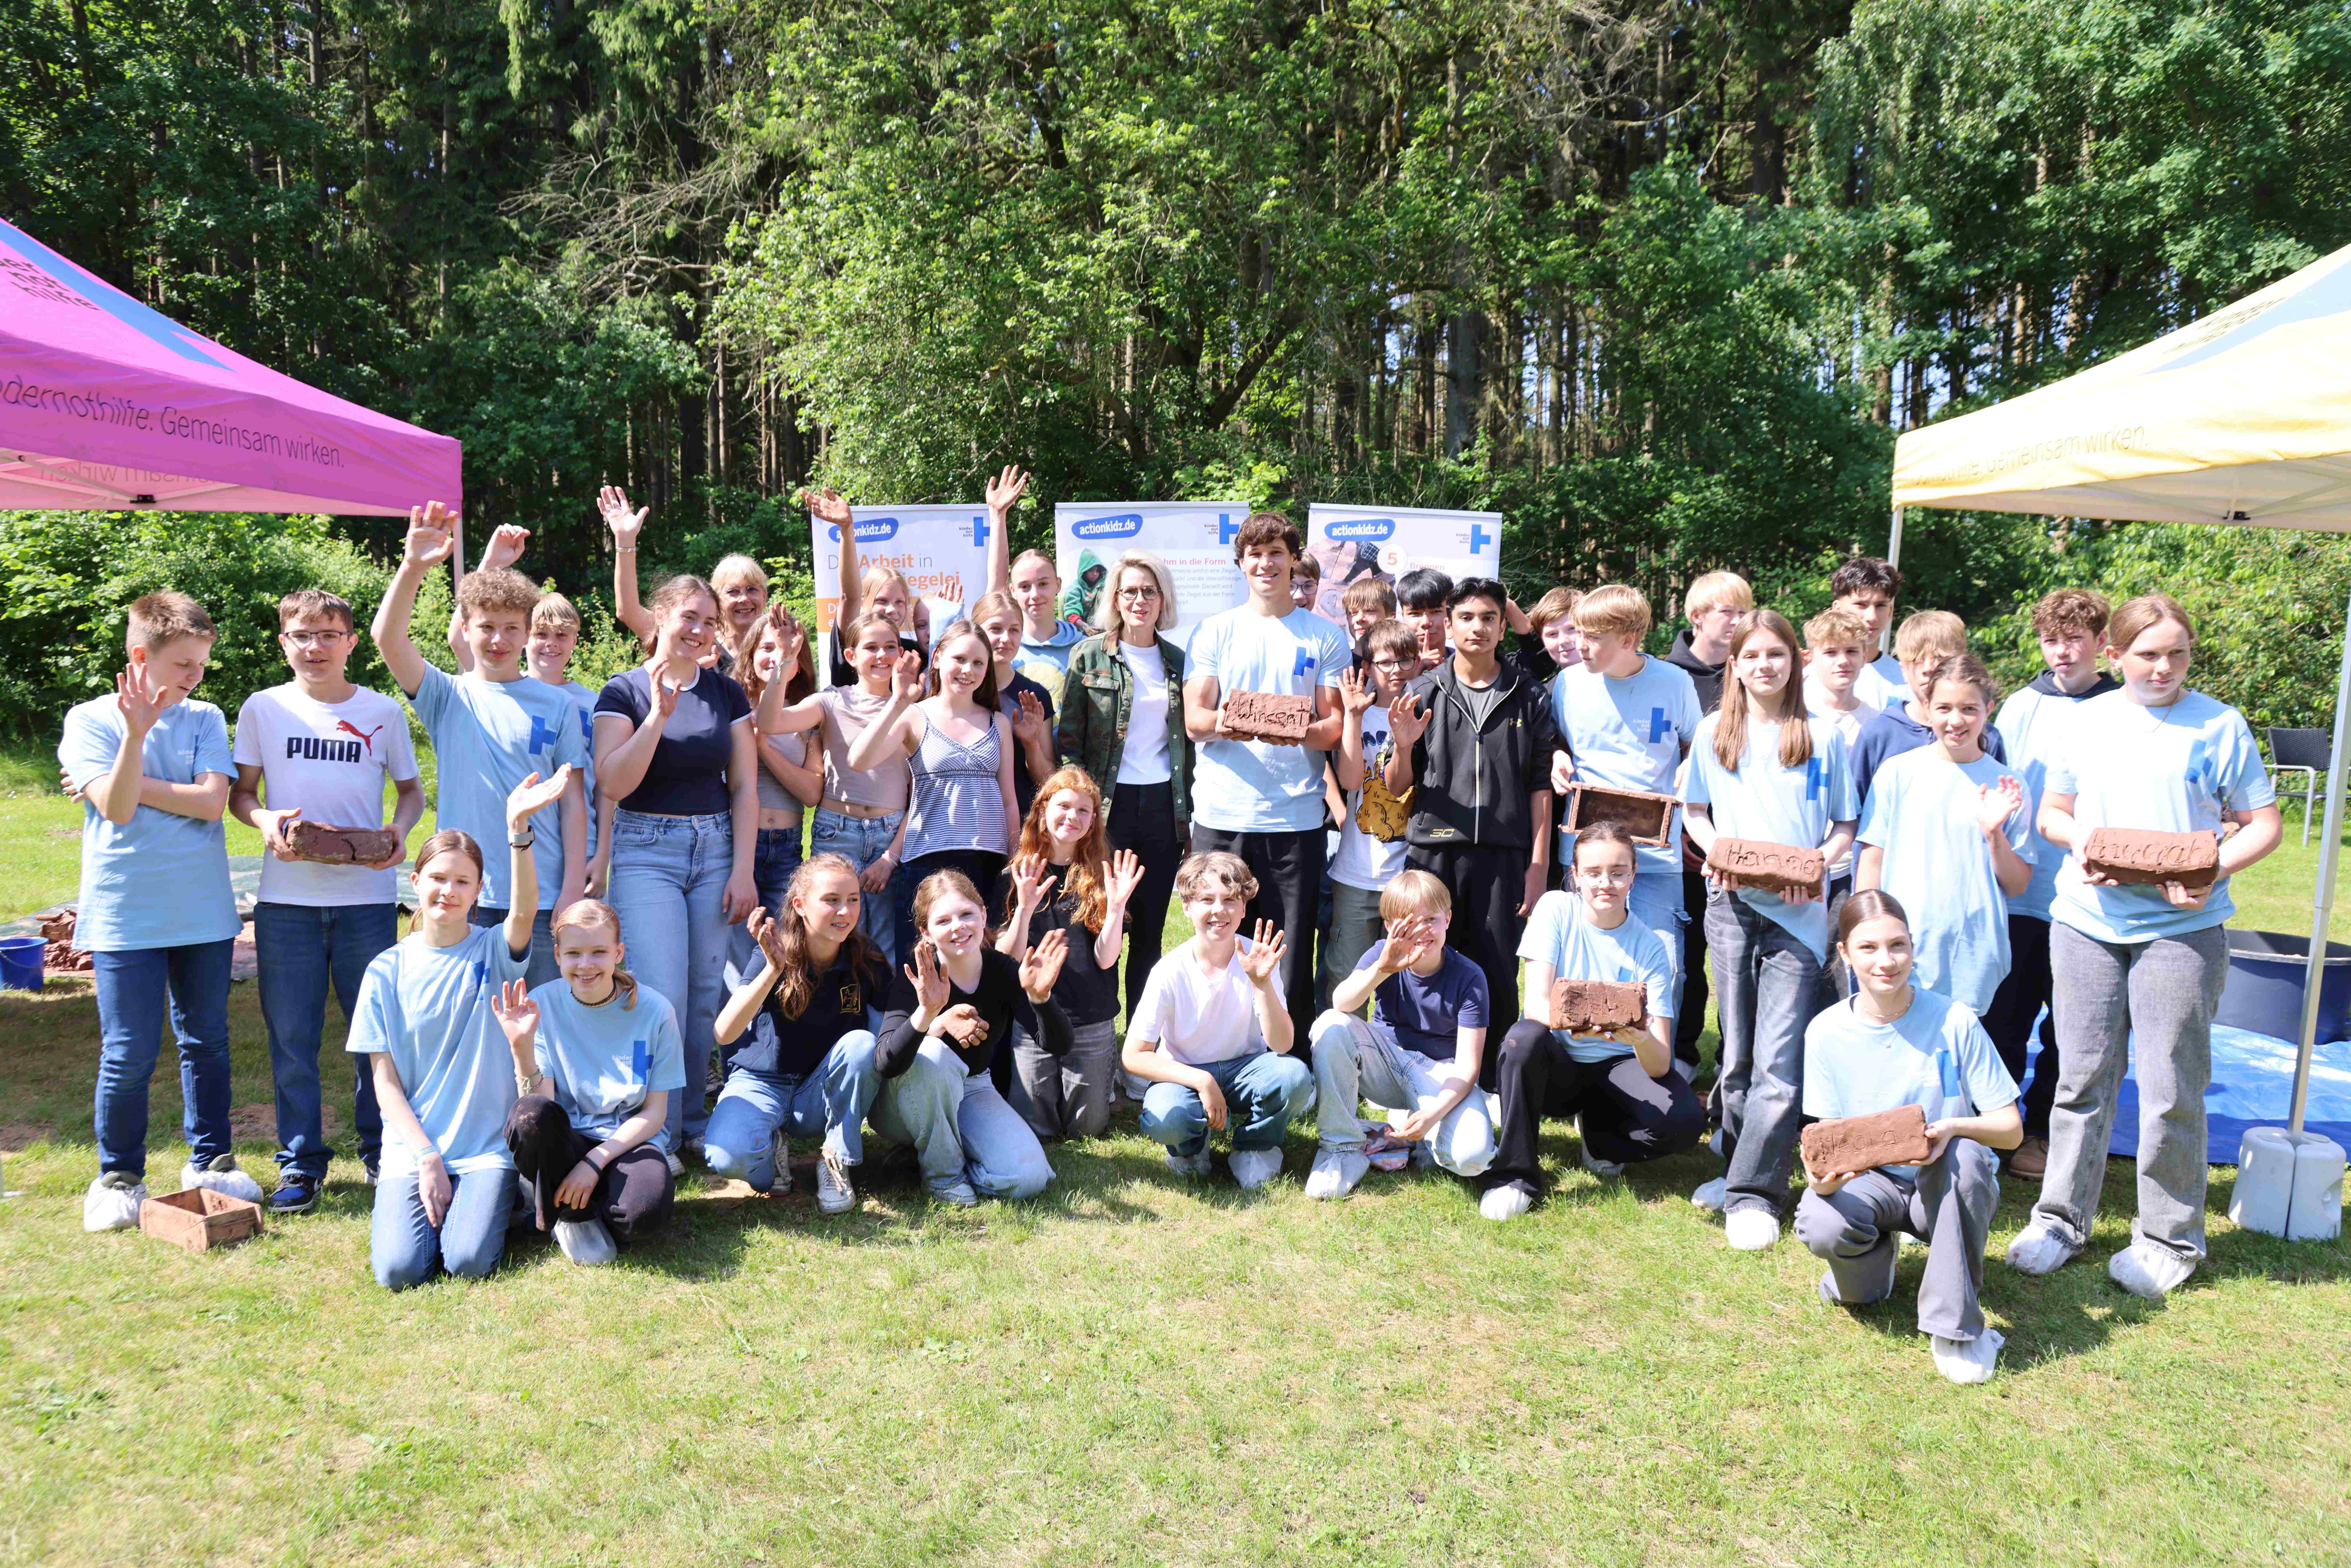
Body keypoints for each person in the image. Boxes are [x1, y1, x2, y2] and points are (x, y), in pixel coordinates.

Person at [2007, 593, 2282, 1299]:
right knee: (2080, 1078)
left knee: (2169, 1088)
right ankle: (2060, 1220)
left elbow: (2262, 824)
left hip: (2181, 933)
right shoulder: (2086, 720)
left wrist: (2210, 868)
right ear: (2115, 656)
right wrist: (2088, 844)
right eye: (2148, 653)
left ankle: (2169, 1237)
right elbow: (2053, 814)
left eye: (2177, 652)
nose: (2163, 667)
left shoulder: (2219, 725)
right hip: (2086, 923)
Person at [231, 589, 425, 1212]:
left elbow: (411, 790)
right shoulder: (264, 708)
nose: (315, 646)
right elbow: (242, 794)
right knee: (293, 1036)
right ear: (283, 641)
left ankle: (382, 1150)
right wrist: (264, 822)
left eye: (328, 634)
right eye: (301, 635)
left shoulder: (382, 711)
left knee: (378, 1033)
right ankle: (300, 1162)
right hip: (286, 900)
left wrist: (399, 831)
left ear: (350, 642)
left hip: (368, 899)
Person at [69, 593, 257, 1231]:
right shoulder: (90, 720)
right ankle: (119, 1174)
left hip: (203, 911)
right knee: (128, 1050)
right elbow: (118, 811)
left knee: (206, 1042)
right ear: (139, 655)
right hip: (126, 913)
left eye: (201, 663)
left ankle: (211, 1159)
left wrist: (110, 784)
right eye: (183, 663)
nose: (194, 676)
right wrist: (135, 736)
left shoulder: (206, 715)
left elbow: (210, 803)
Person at [348, 768, 572, 1289]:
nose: (448, 890)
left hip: (483, 1151)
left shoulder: (494, 950)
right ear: (416, 882)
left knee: (467, 1260)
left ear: (477, 892)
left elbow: (523, 910)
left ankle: (500, 1200)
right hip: (414, 1150)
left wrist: (518, 829)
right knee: (398, 1270)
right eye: (438, 878)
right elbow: (384, 1083)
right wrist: (425, 1157)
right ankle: (453, 1201)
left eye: (462, 881)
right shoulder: (385, 970)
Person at [1680, 609, 1859, 1248]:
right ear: (1735, 665)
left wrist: (1816, 864)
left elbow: (1843, 827)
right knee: (1736, 1053)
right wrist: (1721, 852)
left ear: (1796, 661)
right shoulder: (1713, 732)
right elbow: (1694, 813)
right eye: (1752, 656)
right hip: (1730, 907)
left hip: (1800, 916)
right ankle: (1735, 1163)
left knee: (1780, 1060)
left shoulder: (1826, 735)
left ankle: (1756, 1194)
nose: (1765, 666)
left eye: (1776, 655)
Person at [1798, 890, 2022, 1384]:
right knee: (1819, 1220)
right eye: (1869, 948)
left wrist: (1955, 1127)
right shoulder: (1824, 1032)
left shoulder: (1954, 1019)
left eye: (1897, 945)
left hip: (1940, 1185)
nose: (1886, 961)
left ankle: (1955, 1327)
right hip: (1871, 1183)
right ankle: (1869, 1274)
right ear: (1844, 954)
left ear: (1913, 947)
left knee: (1965, 1157)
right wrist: (1824, 1181)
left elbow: (2009, 1129)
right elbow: (1825, 1141)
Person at [374, 502, 590, 988]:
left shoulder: (555, 705)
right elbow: (387, 638)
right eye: (487, 627)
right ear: (465, 630)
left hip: (540, 890)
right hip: (460, 889)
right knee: (467, 1015)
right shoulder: (447, 694)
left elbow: (574, 798)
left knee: (535, 1020)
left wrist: (573, 881)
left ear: (527, 632)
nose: (499, 638)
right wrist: (413, 565)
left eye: (512, 627)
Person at [593, 573, 760, 1158]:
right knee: (660, 995)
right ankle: (653, 1132)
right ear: (659, 617)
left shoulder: (726, 692)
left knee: (703, 997)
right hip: (645, 850)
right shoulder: (623, 692)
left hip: (714, 849)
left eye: (709, 621)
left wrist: (744, 868)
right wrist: (657, 716)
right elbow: (612, 782)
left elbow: (743, 786)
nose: (699, 629)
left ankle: (690, 1123)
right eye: (689, 616)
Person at [1181, 512, 1351, 1042]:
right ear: (1241, 563)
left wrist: (1280, 724)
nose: (1266, 563)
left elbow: (1331, 729)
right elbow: (1195, 720)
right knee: (1215, 944)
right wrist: (1259, 719)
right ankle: (1212, 1051)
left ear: (1292, 559)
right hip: (1220, 814)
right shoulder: (1214, 630)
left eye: (1276, 552)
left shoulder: (1324, 636)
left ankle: (1288, 1061)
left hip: (1294, 818)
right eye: (1255, 554)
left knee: (1288, 948)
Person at [1482, 823, 1702, 1220]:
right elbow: (1535, 1006)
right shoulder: (1555, 909)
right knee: (1521, 1039)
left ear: (1634, 875)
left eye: (1619, 872)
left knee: (1684, 1122)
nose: (1607, 883)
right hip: (1559, 1065)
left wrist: (1638, 1037)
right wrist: (1591, 1020)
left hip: (1617, 1065)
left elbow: (1660, 1063)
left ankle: (1602, 1139)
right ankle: (1515, 1175)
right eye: (1594, 873)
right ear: (1575, 876)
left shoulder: (1651, 948)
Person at [1384, 577, 1561, 1035]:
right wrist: (1403, 748)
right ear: (1449, 623)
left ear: (1504, 628)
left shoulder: (1531, 695)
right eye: (1466, 617)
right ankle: (1419, 1065)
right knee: (1424, 960)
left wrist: (1538, 868)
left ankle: (1493, 1082)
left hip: (1505, 857)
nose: (1477, 627)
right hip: (1433, 855)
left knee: (1498, 971)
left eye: (1488, 618)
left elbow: (1541, 788)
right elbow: (1396, 785)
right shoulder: (1422, 691)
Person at [1984, 590, 2121, 1178]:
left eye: (2074, 639)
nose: (2062, 651)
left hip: (2091, 897)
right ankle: (1998, 1129)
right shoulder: (2019, 706)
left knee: (2073, 1028)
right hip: (2020, 893)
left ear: (2100, 644)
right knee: (2006, 1021)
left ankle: (2043, 1130)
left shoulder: (2124, 708)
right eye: (2051, 639)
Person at [1549, 584, 1701, 1060]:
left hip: (1655, 857)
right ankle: (1579, 1067)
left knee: (1664, 965)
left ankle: (1656, 1068)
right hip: (1587, 856)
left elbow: (1700, 745)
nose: (1581, 645)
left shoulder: (1675, 682)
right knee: (1586, 963)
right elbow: (1552, 740)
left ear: (1631, 636)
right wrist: (1555, 754)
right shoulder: (1568, 683)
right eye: (1580, 633)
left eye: (1595, 636)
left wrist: (1688, 767)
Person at [490, 899, 683, 1264]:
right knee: (529, 1116)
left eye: (599, 952)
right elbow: (538, 1106)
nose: (586, 965)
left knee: (644, 1215)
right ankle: (571, 1214)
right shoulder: (540, 1004)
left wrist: (594, 1163)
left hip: (626, 1142)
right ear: (559, 955)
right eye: (574, 953)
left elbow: (656, 1113)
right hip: (566, 1139)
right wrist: (521, 1048)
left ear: (618, 953)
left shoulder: (656, 1011)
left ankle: (557, 1196)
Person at [873, 870, 1072, 1204]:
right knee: (935, 1055)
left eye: (966, 914)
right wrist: (932, 1018)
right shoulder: (919, 975)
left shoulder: (1004, 970)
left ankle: (945, 1158)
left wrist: (1041, 998)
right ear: (926, 932)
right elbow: (885, 1064)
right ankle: (943, 1177)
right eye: (943, 921)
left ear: (983, 914)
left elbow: (1059, 1045)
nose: (958, 927)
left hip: (973, 1086)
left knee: (1029, 1178)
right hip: (902, 1099)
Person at [705, 857, 890, 1213]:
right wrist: (774, 969)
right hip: (761, 1082)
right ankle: (769, 1149)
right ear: (800, 905)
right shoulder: (774, 950)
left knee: (862, 1044)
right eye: (831, 899)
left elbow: (894, 1027)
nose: (845, 911)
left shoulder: (866, 957)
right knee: (726, 1157)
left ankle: (836, 1159)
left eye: (853, 899)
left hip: (818, 1094)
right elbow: (724, 1032)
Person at [1055, 551, 1191, 1028]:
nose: (1139, 599)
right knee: (1097, 921)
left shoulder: (1178, 662)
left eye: (1148, 591)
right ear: (1114, 598)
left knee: (1149, 932)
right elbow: (1068, 742)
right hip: (1104, 809)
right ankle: (1095, 1045)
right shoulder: (1088, 655)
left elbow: (1188, 749)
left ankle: (1139, 1045)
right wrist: (1077, 807)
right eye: (1129, 590)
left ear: (1162, 599)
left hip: (1160, 808)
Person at [1856, 654, 2034, 1018]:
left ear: (1989, 709)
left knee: (1954, 1065)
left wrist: (1993, 834)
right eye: (1944, 708)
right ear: (1926, 707)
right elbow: (1872, 859)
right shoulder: (1897, 773)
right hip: (1900, 948)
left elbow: (2016, 885)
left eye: (1969, 709)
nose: (1956, 721)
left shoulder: (2008, 785)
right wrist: (1865, 937)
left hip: (1973, 954)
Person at [1123, 853, 1314, 1187]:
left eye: (1230, 900)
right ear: (1186, 907)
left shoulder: (1258, 957)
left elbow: (1283, 1044)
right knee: (1168, 1116)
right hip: (1186, 1073)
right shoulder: (1169, 970)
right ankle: (1189, 1148)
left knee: (1295, 1077)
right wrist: (1202, 1081)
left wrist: (1262, 984)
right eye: (1206, 900)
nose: (1219, 910)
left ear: (1244, 908)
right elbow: (1133, 1055)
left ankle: (1254, 1147)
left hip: (1248, 1067)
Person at [1303, 870, 1496, 1199]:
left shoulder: (1469, 977)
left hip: (1439, 1074)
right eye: (1408, 923)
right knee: (1329, 1024)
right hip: (1388, 1064)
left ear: (1448, 919)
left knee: (1472, 1158)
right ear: (1390, 926)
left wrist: (1433, 1115)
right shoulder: (1382, 955)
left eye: (1431, 920)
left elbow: (1467, 1068)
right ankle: (1342, 1147)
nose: (1421, 931)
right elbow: (1341, 1003)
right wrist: (1383, 969)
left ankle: (1412, 1135)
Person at [847, 622, 1021, 958]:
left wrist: (1013, 861)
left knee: (985, 965)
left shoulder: (998, 723)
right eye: (960, 659)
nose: (968, 670)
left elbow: (1009, 800)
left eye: (978, 663)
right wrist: (898, 701)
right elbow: (859, 759)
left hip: (988, 861)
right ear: (938, 658)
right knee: (924, 966)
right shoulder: (915, 716)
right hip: (927, 859)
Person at [756, 611, 916, 966]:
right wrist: (785, 659)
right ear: (850, 656)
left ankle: (882, 1022)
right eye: (871, 647)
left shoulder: (913, 709)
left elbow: (919, 794)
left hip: (889, 836)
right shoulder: (831, 701)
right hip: (836, 833)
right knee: (827, 940)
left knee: (885, 947)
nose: (882, 656)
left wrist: (890, 858)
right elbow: (769, 722)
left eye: (891, 647)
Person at [998, 771, 1144, 1140]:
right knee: (1036, 1127)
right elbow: (1005, 959)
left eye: (1084, 810)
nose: (1072, 817)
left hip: (1090, 1017)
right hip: (1032, 1017)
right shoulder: (1017, 875)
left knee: (1087, 1129)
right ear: (1043, 810)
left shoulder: (1102, 876)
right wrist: (1024, 909)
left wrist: (1115, 908)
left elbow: (1107, 960)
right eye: (1063, 806)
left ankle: (1100, 1085)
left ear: (1093, 820)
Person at [1319, 620, 1418, 1008]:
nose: (1396, 670)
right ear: (1367, 668)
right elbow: (1348, 779)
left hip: (1407, 875)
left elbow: (1405, 785)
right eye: (1386, 662)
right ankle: (1342, 1060)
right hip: (1356, 872)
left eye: (1405, 661)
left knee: (1409, 983)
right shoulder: (1354, 714)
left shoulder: (1424, 710)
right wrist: (1355, 717)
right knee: (1347, 980)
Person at [729, 606, 824, 992]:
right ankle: (736, 1041)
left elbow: (812, 791)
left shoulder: (805, 718)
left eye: (786, 650)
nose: (775, 656)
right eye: (766, 647)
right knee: (735, 950)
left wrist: (764, 748)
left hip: (785, 848)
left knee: (782, 946)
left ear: (798, 663)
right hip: (737, 845)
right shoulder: (731, 710)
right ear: (750, 655)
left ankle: (757, 1036)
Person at [600, 485, 772, 673]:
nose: (745, 599)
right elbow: (628, 611)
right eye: (733, 591)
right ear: (716, 602)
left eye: (752, 590)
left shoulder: (779, 644)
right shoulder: (695, 637)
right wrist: (625, 541)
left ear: (764, 595)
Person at [1849, 610, 2008, 806]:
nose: (1928, 668)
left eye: (1939, 658)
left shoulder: (1987, 736)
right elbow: (1855, 813)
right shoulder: (1877, 734)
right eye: (1916, 659)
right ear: (1904, 671)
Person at [1801, 606, 1875, 1002]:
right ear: (1811, 657)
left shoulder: (1876, 725)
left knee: (1837, 970)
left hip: (1848, 866)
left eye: (1852, 651)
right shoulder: (1793, 714)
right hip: (1794, 862)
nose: (1843, 661)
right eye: (1831, 652)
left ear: (1865, 654)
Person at [806, 487, 931, 687]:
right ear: (864, 603)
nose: (892, 609)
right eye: (882, 601)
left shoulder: (914, 652)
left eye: (900, 602)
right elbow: (849, 596)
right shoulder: (854, 641)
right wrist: (847, 529)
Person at [968, 588, 1058, 821]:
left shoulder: (1034, 695)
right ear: (976, 631)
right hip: (963, 825)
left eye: (1015, 630)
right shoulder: (959, 690)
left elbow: (1047, 782)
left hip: (1021, 823)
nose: (1006, 639)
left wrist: (1031, 744)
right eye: (996, 629)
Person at [1828, 556, 1908, 710]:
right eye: (1861, 605)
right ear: (1837, 609)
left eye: (1880, 606)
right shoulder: (1807, 676)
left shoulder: (1906, 680)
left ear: (1890, 611)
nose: (1872, 617)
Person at [1395, 568, 1452, 672]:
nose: (1426, 623)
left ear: (1450, 615)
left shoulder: (1465, 663)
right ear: (1403, 617)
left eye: (1436, 612)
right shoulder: (1388, 666)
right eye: (1415, 614)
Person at [1340, 577, 1399, 655]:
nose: (1359, 619)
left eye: (1370, 611)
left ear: (1391, 617)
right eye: (1353, 613)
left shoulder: (1406, 663)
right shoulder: (1337, 664)